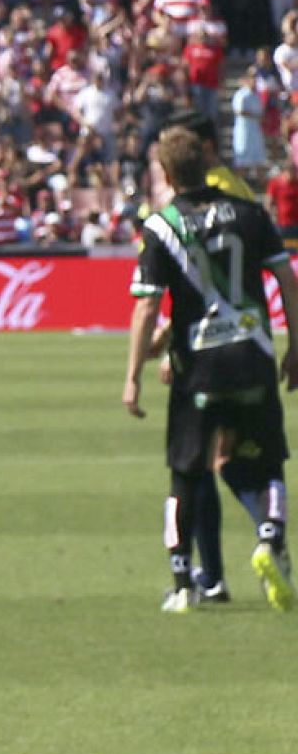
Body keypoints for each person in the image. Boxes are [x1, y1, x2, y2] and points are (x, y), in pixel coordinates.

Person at [123, 127, 298, 614]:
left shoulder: (162, 227)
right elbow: (288, 278)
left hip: (196, 366)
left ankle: (184, 583)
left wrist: (133, 372)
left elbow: (147, 307)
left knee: (186, 472)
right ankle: (270, 538)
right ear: (206, 163)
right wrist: (296, 347)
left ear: (167, 173)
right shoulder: (249, 212)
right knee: (266, 465)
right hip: (254, 357)